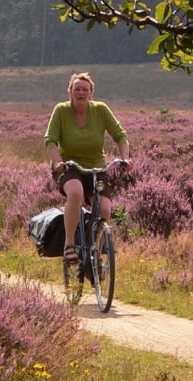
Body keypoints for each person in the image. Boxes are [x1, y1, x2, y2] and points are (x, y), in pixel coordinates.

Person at [44, 72, 131, 263]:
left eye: (85, 89)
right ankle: (69, 245)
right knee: (75, 193)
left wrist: (125, 158)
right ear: (70, 92)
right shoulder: (61, 110)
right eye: (77, 89)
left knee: (105, 210)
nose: (81, 92)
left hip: (96, 167)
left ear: (91, 93)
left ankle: (95, 252)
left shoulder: (100, 110)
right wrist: (58, 162)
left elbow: (120, 135)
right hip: (69, 166)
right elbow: (50, 140)